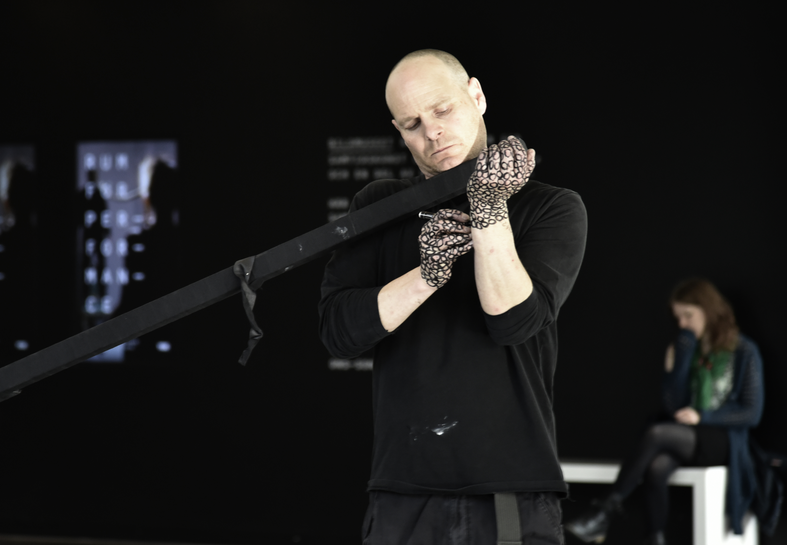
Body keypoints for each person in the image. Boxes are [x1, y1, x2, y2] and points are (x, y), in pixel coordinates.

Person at [318, 49, 587, 543]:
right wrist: (426, 275)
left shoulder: (550, 206)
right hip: (404, 488)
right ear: (399, 132)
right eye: (413, 124)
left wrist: (488, 208)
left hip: (511, 485)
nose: (433, 132)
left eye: (442, 110)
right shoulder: (379, 206)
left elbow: (514, 321)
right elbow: (339, 333)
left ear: (476, 96)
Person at [565, 278, 765, 544]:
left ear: (709, 310)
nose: (682, 324)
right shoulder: (687, 349)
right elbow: (674, 407)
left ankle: (603, 512)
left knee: (657, 433)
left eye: (688, 315)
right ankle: (654, 538)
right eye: (678, 317)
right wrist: (679, 364)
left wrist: (702, 416)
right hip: (689, 436)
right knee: (657, 467)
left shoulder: (743, 350)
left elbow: (751, 413)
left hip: (726, 439)